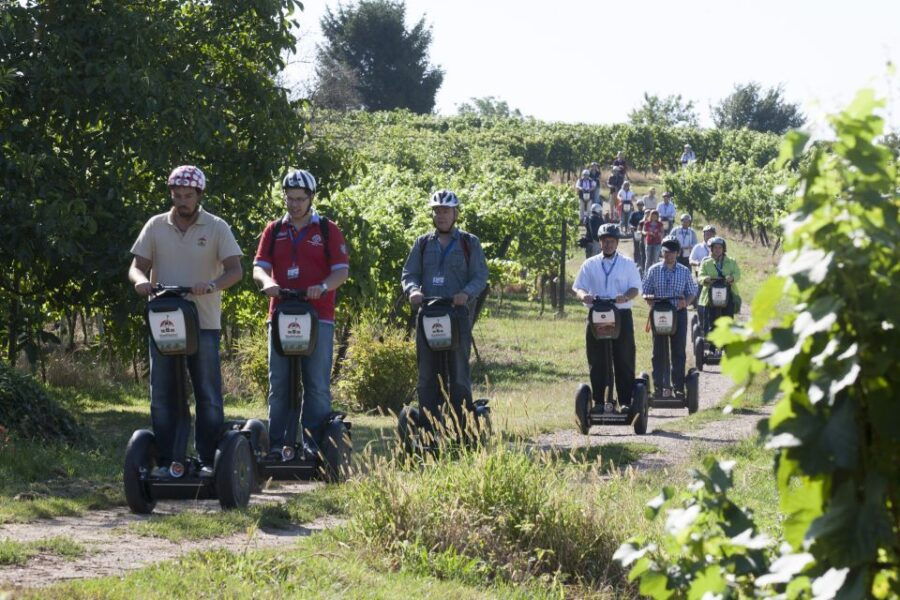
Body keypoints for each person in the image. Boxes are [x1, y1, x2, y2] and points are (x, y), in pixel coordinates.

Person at [128, 165, 244, 478]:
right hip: (164, 321)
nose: (182, 201)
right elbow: (136, 267)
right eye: (177, 195)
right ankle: (170, 461)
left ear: (199, 195)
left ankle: (208, 461)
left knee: (207, 393)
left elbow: (235, 270)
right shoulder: (156, 225)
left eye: (188, 196)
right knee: (163, 394)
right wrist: (140, 281)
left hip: (203, 322)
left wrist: (212, 285)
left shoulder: (216, 227)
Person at [252, 169, 351, 459]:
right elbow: (259, 267)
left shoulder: (327, 230)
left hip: (318, 315)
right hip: (281, 314)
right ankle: (277, 445)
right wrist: (267, 282)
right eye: (290, 198)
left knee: (316, 384)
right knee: (279, 384)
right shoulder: (274, 230)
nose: (294, 204)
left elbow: (341, 272)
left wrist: (323, 286)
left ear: (311, 198)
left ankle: (313, 446)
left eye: (300, 199)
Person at [401, 190, 489, 432]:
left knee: (458, 372)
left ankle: (463, 427)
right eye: (437, 211)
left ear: (455, 214)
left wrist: (466, 293)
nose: (441, 215)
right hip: (428, 315)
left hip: (456, 315)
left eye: (446, 211)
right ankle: (429, 428)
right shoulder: (422, 243)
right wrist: (412, 290)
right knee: (427, 374)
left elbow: (480, 275)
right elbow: (409, 273)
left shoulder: (469, 243)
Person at [572, 224, 642, 410]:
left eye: (611, 241)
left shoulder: (627, 264)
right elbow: (578, 287)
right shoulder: (590, 264)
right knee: (597, 359)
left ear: (617, 243)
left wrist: (625, 296)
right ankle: (600, 401)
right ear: (600, 242)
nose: (608, 244)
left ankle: (625, 401)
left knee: (624, 357)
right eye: (604, 241)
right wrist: (583, 296)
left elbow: (635, 288)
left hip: (621, 314)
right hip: (597, 314)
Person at [642, 236, 698, 398]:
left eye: (673, 252)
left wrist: (685, 302)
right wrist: (649, 298)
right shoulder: (653, 270)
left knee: (678, 350)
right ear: (662, 252)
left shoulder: (684, 271)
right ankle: (659, 387)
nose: (669, 255)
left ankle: (678, 387)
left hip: (678, 313)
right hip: (659, 313)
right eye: (666, 252)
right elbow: (645, 290)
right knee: (658, 351)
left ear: (677, 253)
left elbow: (692, 291)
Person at [697, 236, 742, 329]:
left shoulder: (731, 261)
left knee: (728, 321)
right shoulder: (706, 262)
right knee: (710, 323)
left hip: (728, 294)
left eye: (720, 247)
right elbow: (700, 277)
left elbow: (737, 274)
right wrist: (706, 279)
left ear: (723, 249)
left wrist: (732, 278)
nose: (717, 250)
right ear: (712, 249)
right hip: (710, 295)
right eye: (715, 248)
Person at [628, 199, 646, 271]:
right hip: (636, 232)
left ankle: (642, 262)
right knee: (636, 247)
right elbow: (630, 222)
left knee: (643, 247)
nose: (640, 206)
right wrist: (631, 226)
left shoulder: (645, 214)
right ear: (637, 206)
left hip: (644, 232)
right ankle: (636, 262)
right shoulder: (634, 214)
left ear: (643, 205)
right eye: (638, 205)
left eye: (641, 205)